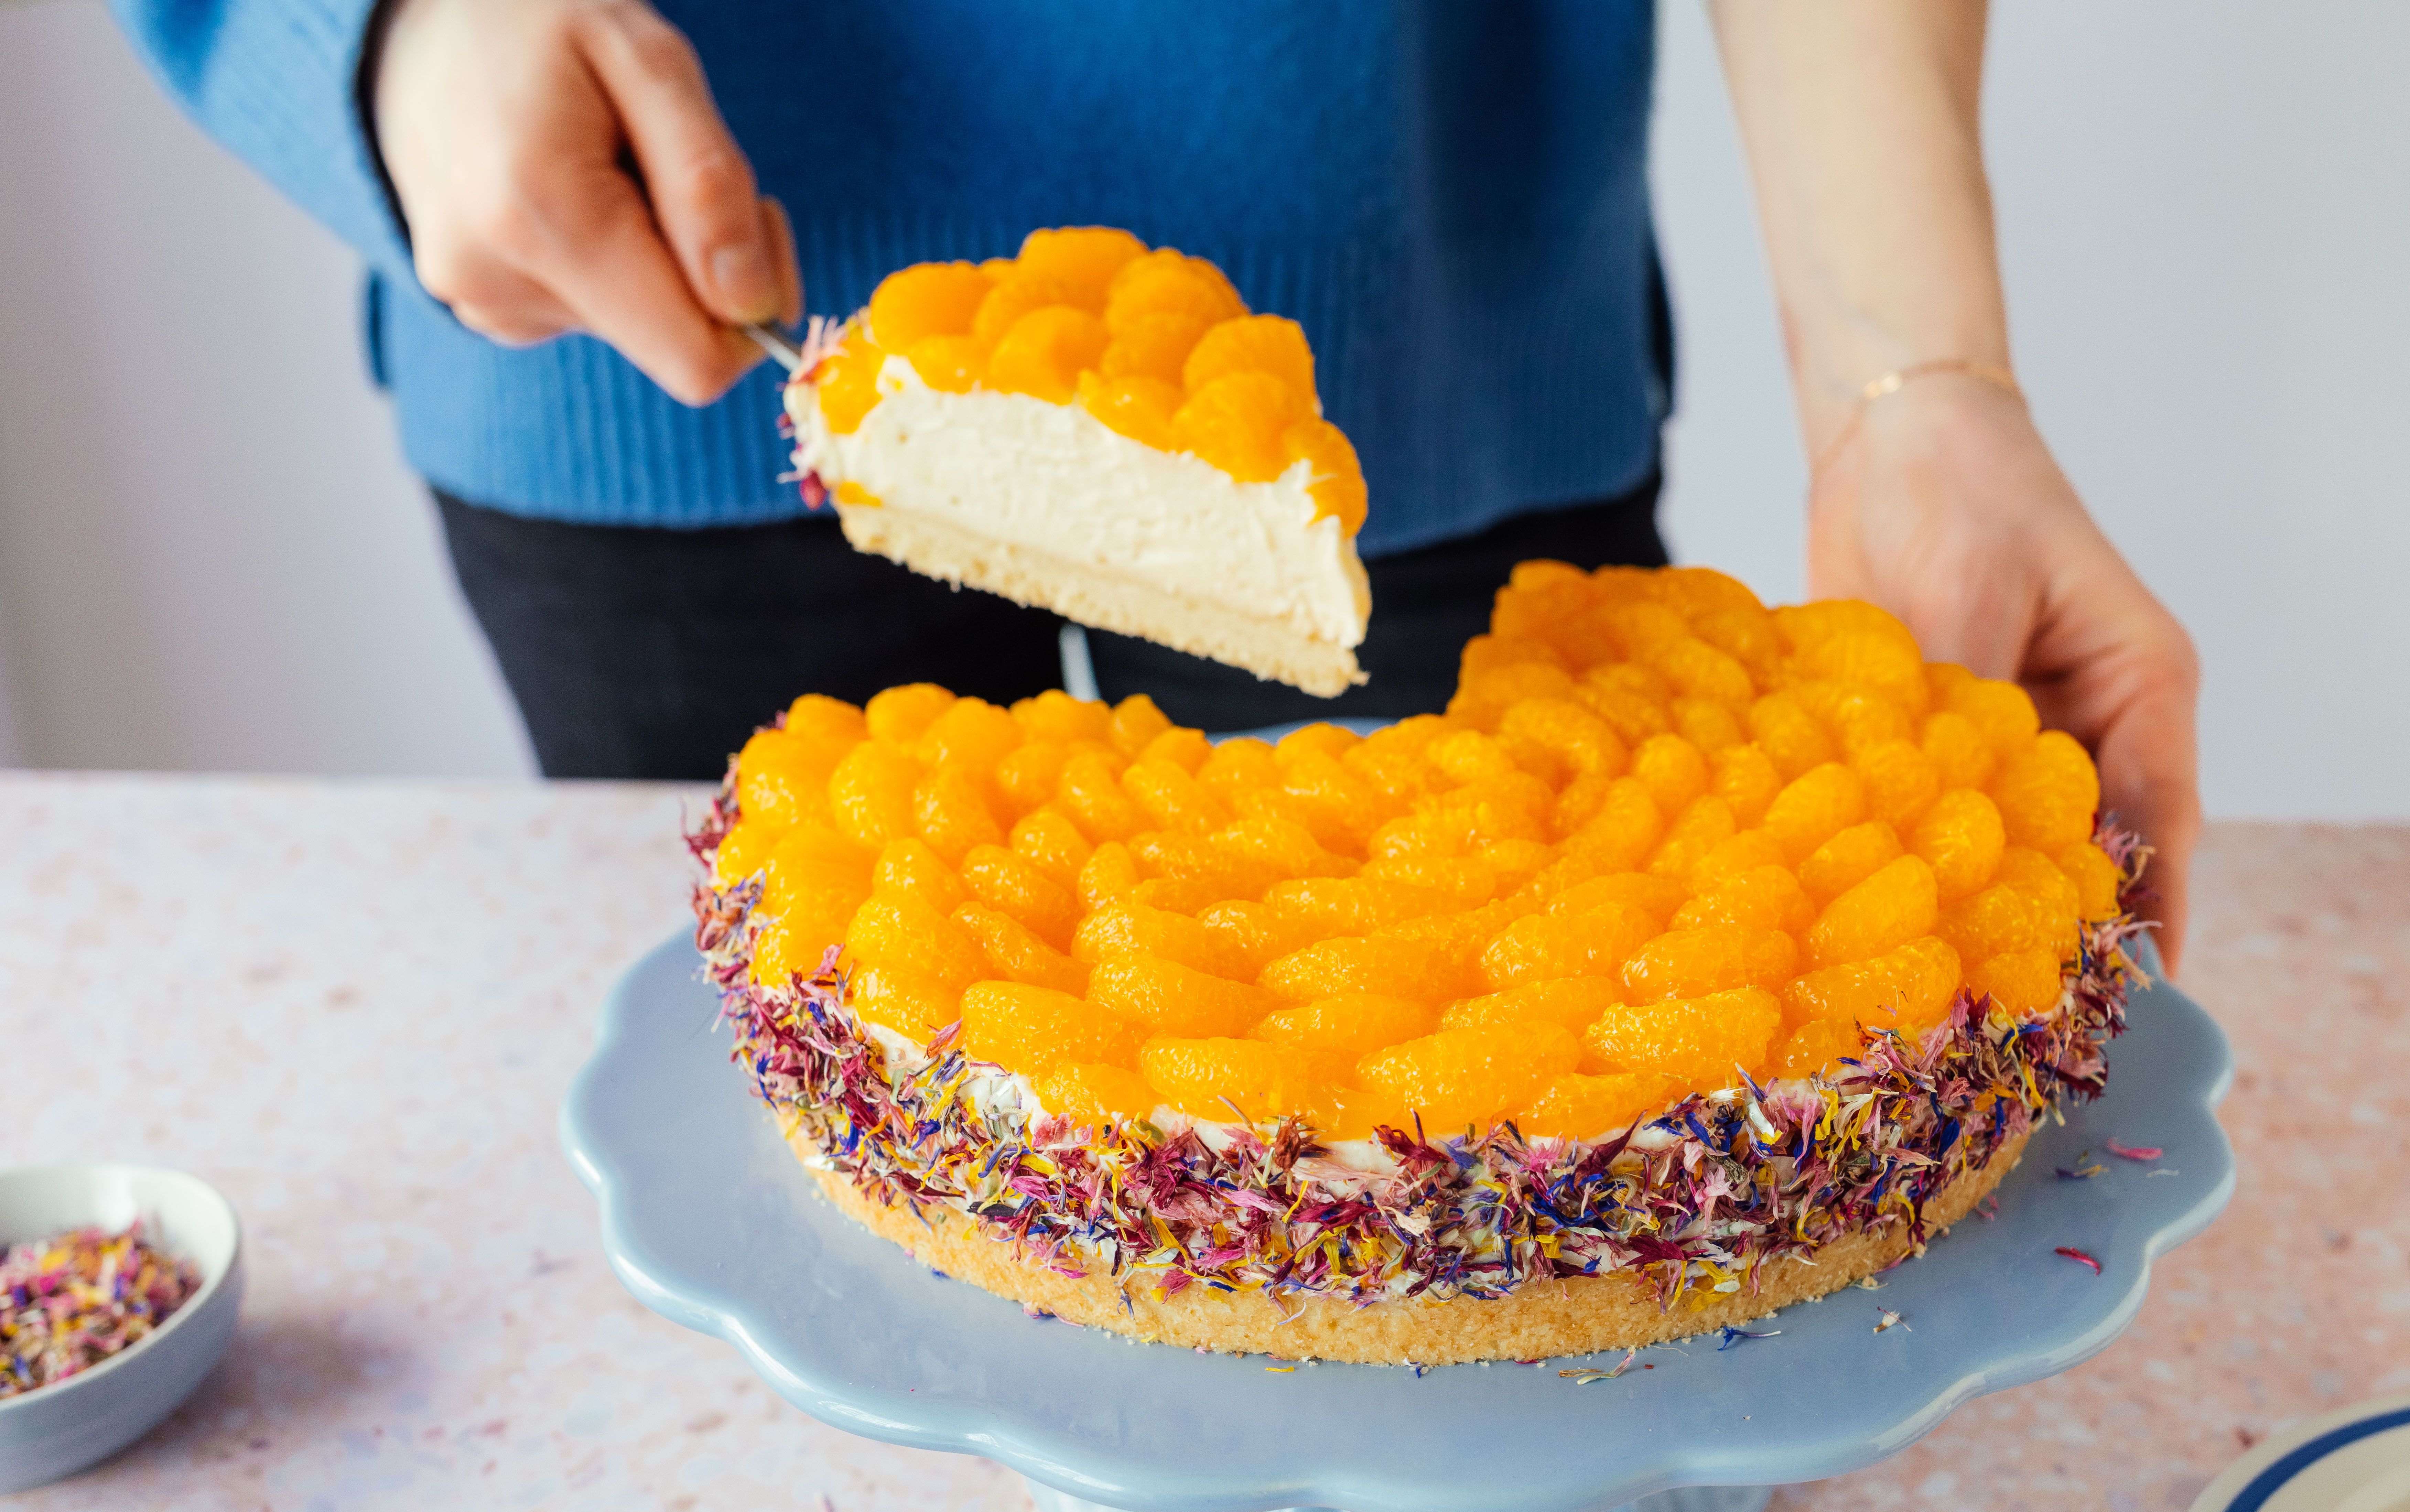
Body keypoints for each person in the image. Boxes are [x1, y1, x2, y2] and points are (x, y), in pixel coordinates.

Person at [112, 0, 2199, 965]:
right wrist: (369, 30)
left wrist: (1910, 383)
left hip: (1425, 303)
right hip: (625, 315)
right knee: (841, 1152)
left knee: (1502, 1168)